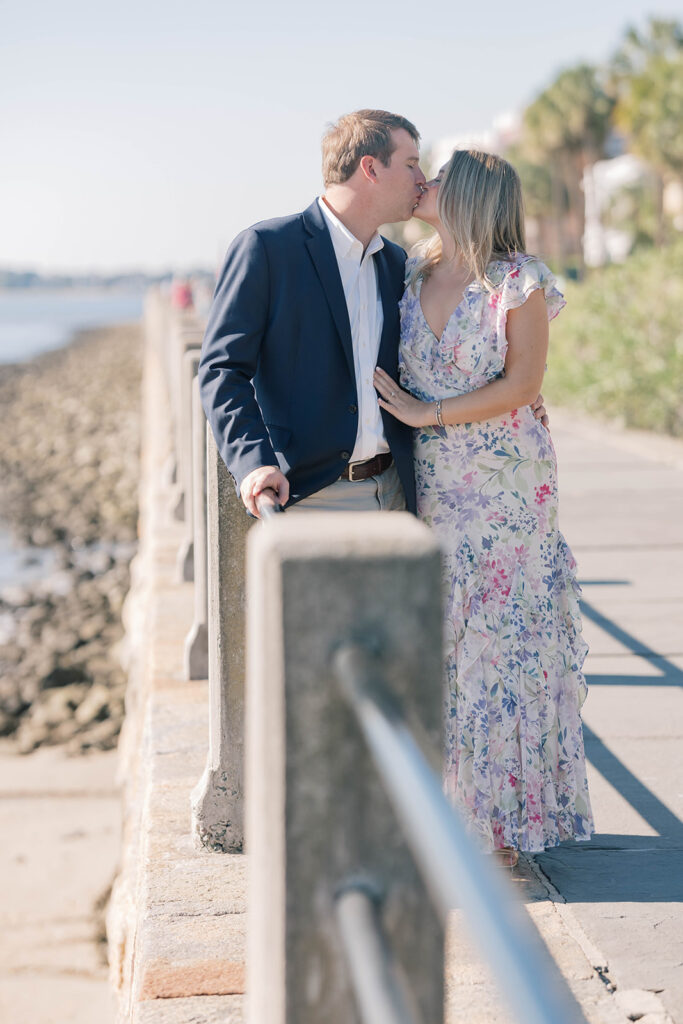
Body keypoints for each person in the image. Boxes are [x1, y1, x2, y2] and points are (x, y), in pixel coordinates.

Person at [374, 149, 594, 862]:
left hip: (505, 491)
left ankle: (504, 829)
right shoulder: (405, 271)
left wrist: (422, 412)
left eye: (436, 176)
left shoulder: (516, 282)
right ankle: (452, 815)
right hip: (433, 487)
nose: (423, 183)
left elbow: (522, 384)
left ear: (467, 195)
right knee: (444, 645)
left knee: (503, 651)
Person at [199, 109, 549, 517]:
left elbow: (436, 357)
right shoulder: (268, 248)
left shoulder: (398, 265)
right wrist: (253, 464)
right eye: (412, 164)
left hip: (406, 491)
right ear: (371, 169)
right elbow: (222, 370)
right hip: (311, 494)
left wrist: (520, 394)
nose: (422, 179)